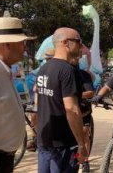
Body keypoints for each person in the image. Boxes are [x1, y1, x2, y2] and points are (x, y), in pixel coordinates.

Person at [36, 28, 87, 173]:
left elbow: (40, 103)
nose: (80, 45)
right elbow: (72, 110)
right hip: (64, 142)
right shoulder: (68, 71)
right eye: (78, 41)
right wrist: (81, 144)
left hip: (45, 140)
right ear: (66, 43)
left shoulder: (43, 69)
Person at [0, 17, 35, 173]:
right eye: (22, 43)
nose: (25, 48)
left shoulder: (3, 69)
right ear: (7, 45)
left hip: (3, 160)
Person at [70, 51, 94, 173]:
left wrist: (72, 96)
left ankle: (85, 160)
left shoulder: (84, 75)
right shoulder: (64, 72)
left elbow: (90, 92)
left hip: (83, 110)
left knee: (84, 134)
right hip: (68, 112)